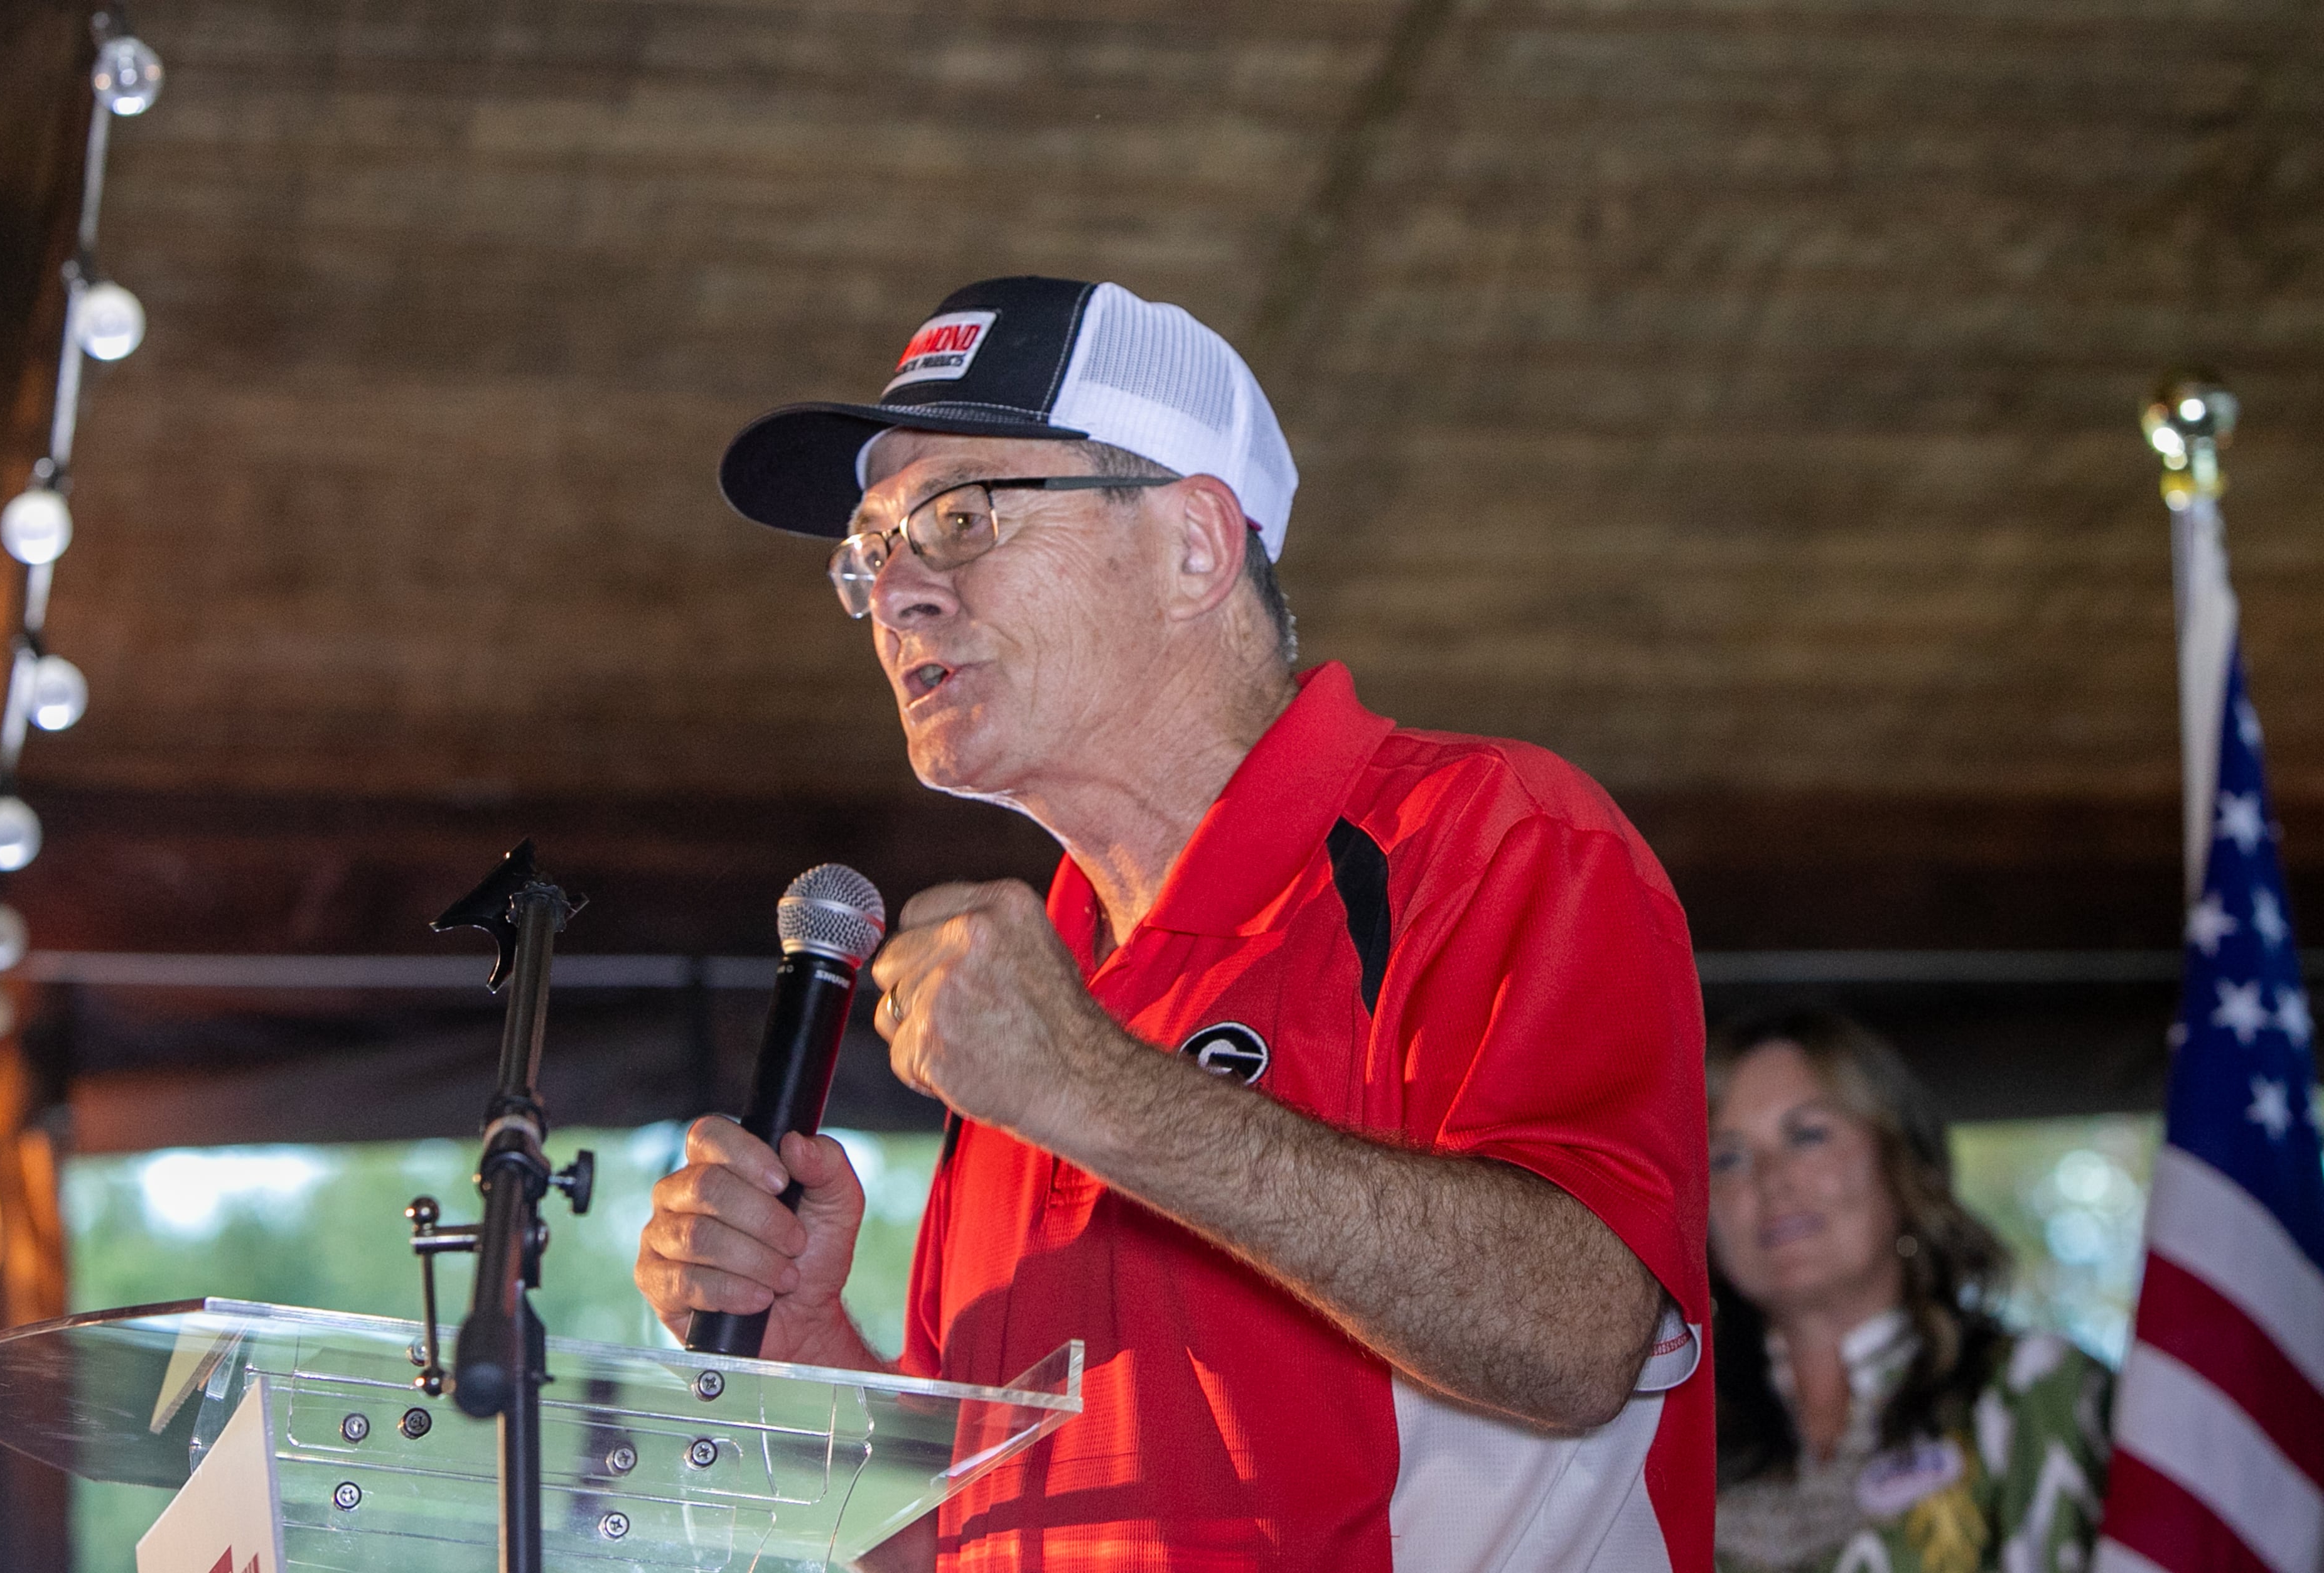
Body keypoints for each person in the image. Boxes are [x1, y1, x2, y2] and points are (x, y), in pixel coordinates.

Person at [635, 276, 1713, 1569]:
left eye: (960, 517)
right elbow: (962, 1546)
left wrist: (1094, 1088)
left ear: (1195, 544)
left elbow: (1582, 1334)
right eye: (869, 554)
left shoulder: (1490, 833)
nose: (899, 591)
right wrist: (803, 1345)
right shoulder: (1026, 998)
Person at [1706, 1008, 2113, 1573]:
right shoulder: (1671, 1443)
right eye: (1727, 1157)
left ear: (1901, 1162)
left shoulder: (2031, 1389)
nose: (1771, 1179)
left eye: (1808, 1135)